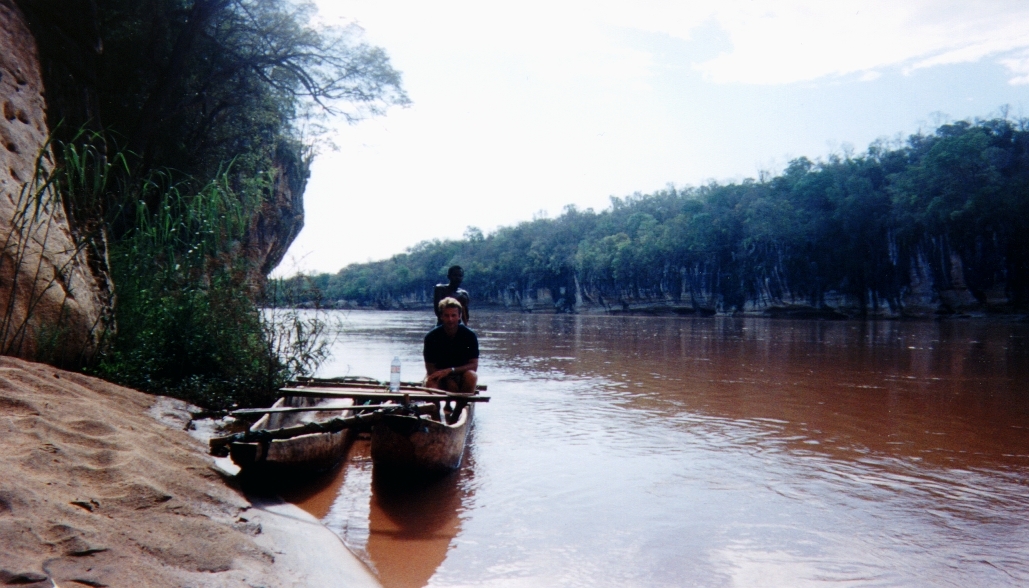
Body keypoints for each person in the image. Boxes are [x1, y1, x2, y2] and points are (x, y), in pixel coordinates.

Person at [424, 297, 478, 393]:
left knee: (472, 376)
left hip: (461, 374)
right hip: (439, 374)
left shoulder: (469, 336)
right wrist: (447, 380)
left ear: (459, 316)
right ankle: (435, 407)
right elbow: (430, 368)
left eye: (453, 315)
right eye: (447, 315)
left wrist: (451, 371)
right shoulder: (431, 337)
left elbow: (473, 365)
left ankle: (459, 407)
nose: (450, 319)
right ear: (441, 317)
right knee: (430, 382)